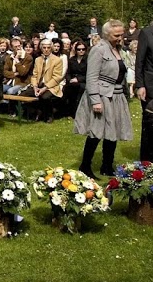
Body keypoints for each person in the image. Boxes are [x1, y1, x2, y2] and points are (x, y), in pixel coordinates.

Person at [75, 20, 132, 178]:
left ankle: (107, 165)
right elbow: (91, 77)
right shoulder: (98, 50)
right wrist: (95, 100)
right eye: (116, 35)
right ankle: (85, 166)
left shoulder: (119, 49)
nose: (120, 38)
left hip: (117, 95)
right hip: (102, 96)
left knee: (113, 132)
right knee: (96, 132)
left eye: (122, 34)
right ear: (106, 34)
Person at [30, 39, 64, 123]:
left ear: (51, 48)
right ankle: (34, 113)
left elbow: (56, 78)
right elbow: (34, 75)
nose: (46, 49)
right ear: (41, 48)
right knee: (25, 94)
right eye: (44, 47)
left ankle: (49, 115)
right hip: (39, 84)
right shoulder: (38, 60)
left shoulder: (57, 60)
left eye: (48, 47)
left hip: (51, 86)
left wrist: (44, 88)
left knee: (44, 97)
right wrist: (35, 87)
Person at [63, 41, 88, 116]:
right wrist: (69, 79)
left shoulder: (88, 60)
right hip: (72, 81)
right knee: (68, 89)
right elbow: (68, 73)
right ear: (75, 50)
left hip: (83, 81)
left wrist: (78, 79)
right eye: (79, 49)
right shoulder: (71, 60)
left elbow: (89, 74)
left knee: (79, 88)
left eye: (83, 49)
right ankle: (70, 111)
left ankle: (79, 112)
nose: (81, 51)